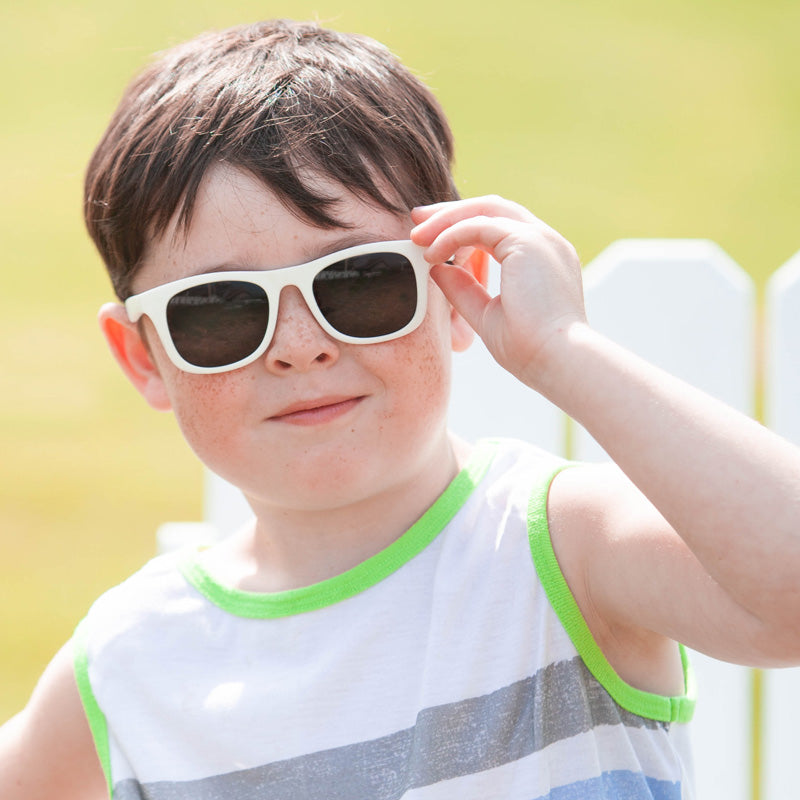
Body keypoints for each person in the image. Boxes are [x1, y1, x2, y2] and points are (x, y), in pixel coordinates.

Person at [2, 18, 800, 800]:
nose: (300, 345)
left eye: (359, 281)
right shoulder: (132, 663)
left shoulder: (559, 551)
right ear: (146, 357)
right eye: (222, 309)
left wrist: (561, 347)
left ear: (454, 284)